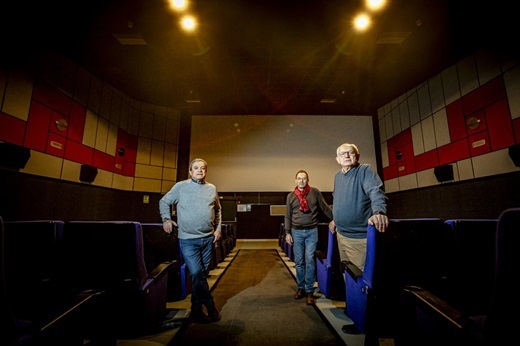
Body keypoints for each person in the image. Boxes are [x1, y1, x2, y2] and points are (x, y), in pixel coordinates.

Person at [159, 158, 222, 324]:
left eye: (202, 168)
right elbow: (164, 201)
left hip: (208, 239)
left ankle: (195, 311)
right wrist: (166, 219)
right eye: (196, 168)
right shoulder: (181, 187)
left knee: (200, 276)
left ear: (206, 171)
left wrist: (218, 229)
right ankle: (210, 305)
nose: (200, 170)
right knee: (196, 273)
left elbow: (218, 211)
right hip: (188, 240)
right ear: (190, 171)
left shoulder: (211, 188)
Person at [329, 143, 389, 272]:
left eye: (350, 152)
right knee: (346, 273)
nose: (346, 155)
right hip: (341, 234)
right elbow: (339, 199)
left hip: (358, 238)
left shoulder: (365, 170)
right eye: (342, 154)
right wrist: (336, 219)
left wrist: (379, 212)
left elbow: (375, 191)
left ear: (357, 156)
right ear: (337, 159)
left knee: (360, 278)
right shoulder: (337, 176)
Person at [285, 170, 333, 305]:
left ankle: (310, 290)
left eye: (304, 178)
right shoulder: (290, 196)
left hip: (312, 231)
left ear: (308, 180)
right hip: (296, 232)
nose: (301, 181)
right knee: (299, 261)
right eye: (299, 178)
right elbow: (288, 215)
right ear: (295, 180)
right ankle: (301, 288)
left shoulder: (315, 192)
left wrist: (337, 219)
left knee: (310, 259)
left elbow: (325, 208)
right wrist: (287, 232)